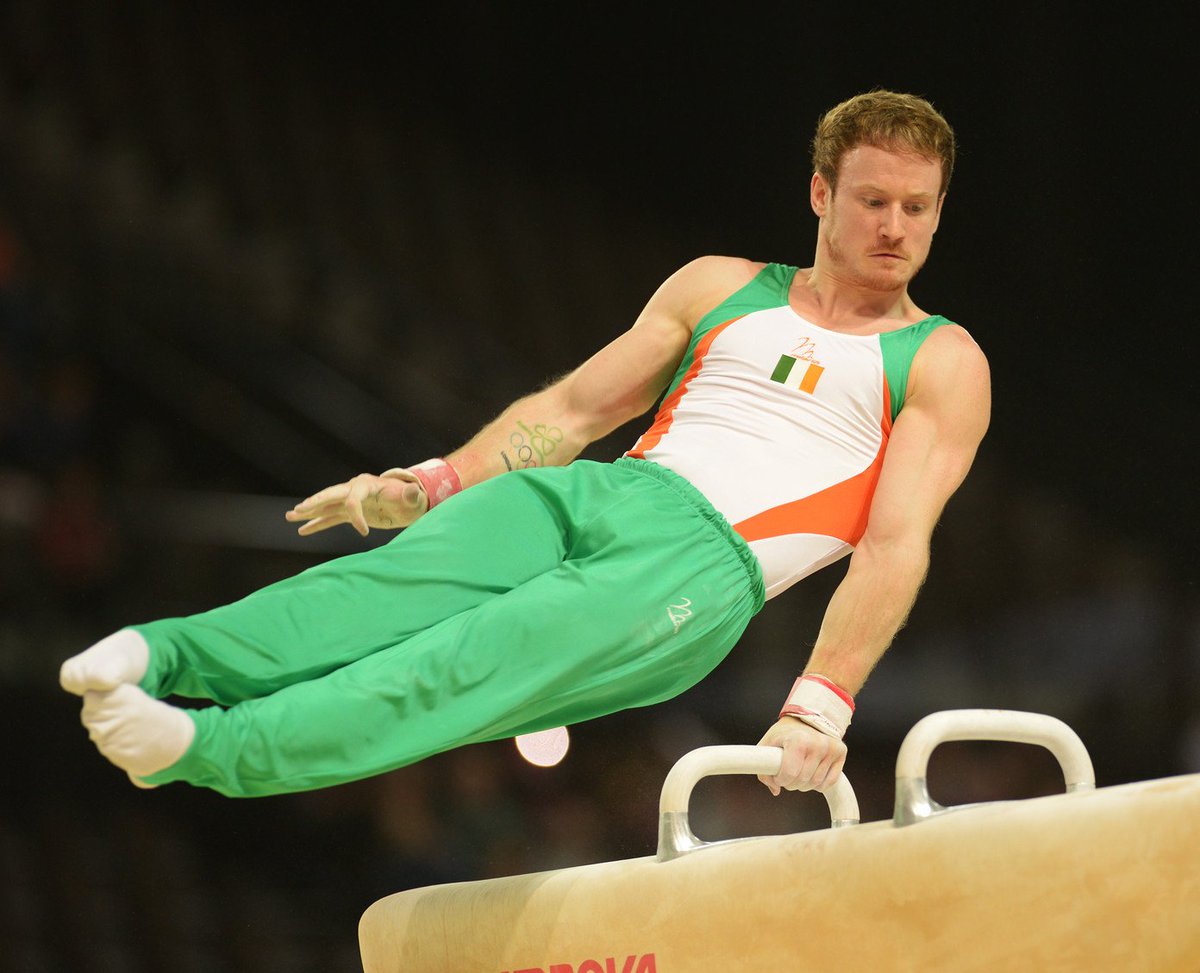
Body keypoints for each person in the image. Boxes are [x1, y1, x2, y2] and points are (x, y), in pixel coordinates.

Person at [62, 89, 990, 800]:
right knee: (376, 587)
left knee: (460, 663)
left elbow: (894, 542)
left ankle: (212, 752)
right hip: (602, 490)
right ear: (822, 192)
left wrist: (817, 702)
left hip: (701, 567)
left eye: (918, 208)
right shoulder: (720, 286)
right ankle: (163, 653)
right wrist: (436, 481)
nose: (895, 229)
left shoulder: (940, 360)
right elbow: (576, 411)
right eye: (874, 201)